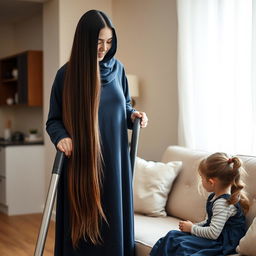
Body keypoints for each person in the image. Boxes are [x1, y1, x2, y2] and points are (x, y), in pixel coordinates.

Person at [46, 10, 148, 256]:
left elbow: (123, 106)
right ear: (84, 41)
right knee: (82, 230)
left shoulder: (118, 70)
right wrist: (62, 137)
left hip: (114, 166)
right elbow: (53, 121)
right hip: (81, 166)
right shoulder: (66, 75)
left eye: (109, 41)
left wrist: (133, 115)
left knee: (112, 226)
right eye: (98, 42)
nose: (104, 48)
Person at [150, 152, 250, 256]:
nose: (201, 181)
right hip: (216, 237)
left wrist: (192, 228)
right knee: (172, 236)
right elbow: (209, 221)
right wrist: (193, 226)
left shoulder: (223, 203)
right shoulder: (215, 197)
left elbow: (213, 233)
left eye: (202, 178)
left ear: (211, 182)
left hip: (221, 243)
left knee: (183, 246)